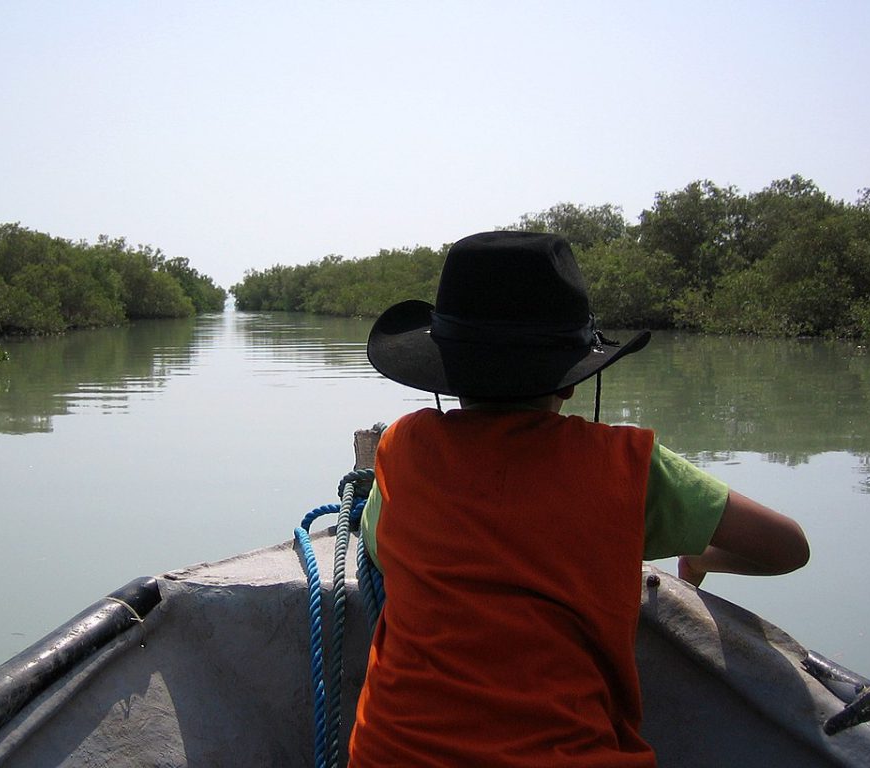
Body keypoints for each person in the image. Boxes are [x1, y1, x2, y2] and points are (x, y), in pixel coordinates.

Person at [347, 231, 809, 767]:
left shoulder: (401, 448)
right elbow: (786, 548)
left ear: (444, 374)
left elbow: (381, 550)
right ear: (571, 381)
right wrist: (703, 555)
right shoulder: (628, 467)